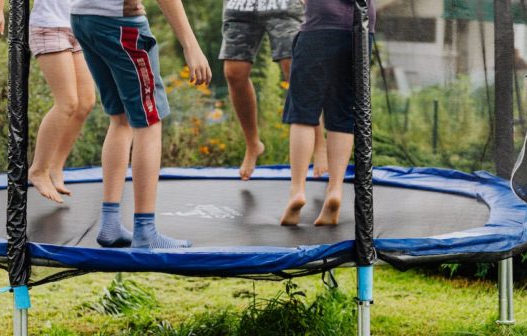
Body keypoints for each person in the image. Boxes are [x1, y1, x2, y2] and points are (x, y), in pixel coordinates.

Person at [70, 0, 212, 248]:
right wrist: (191, 45)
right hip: (120, 24)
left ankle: (110, 223)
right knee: (149, 121)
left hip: (83, 17)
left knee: (121, 118)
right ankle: (145, 231)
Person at [0, 0, 96, 204]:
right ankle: (38, 170)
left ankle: (55, 166)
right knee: (67, 102)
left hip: (79, 26)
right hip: (49, 26)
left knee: (86, 103)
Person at [280, 0, 375, 226]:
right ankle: (334, 191)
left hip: (319, 25)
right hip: (360, 30)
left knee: (302, 112)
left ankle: (297, 190)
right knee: (343, 114)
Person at [220, 0, 328, 181]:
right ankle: (253, 144)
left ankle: (319, 144)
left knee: (295, 69)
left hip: (283, 4)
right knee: (234, 72)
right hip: (241, 5)